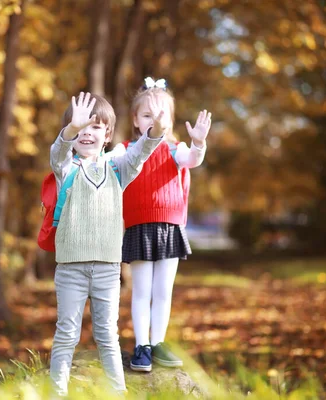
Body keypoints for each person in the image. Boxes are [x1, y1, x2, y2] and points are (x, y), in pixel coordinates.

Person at [48, 91, 166, 396]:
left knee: (107, 336)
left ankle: (118, 393)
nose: (87, 132)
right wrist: (70, 129)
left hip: (107, 269)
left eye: (95, 127)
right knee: (66, 335)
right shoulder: (67, 169)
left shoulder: (118, 168)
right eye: (81, 128)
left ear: (108, 134)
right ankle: (56, 393)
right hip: (70, 269)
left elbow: (144, 149)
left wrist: (159, 127)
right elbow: (58, 152)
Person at [111, 77, 212, 372]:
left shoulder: (175, 148)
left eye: (161, 115)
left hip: (169, 226)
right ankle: (141, 345)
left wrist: (199, 142)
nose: (154, 120)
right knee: (142, 291)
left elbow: (192, 160)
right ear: (135, 120)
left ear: (171, 119)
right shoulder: (127, 149)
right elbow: (115, 162)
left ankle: (158, 342)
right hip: (139, 227)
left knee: (163, 291)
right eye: (146, 115)